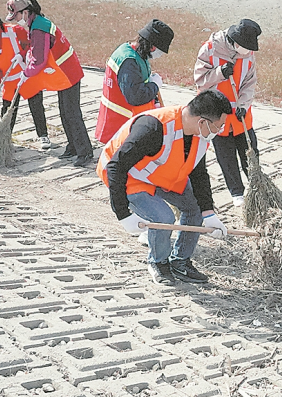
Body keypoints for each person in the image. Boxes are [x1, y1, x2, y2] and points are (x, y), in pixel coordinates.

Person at [97, 90, 232, 286]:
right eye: (218, 127)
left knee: (194, 207)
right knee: (163, 218)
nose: (218, 132)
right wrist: (122, 213)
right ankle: (158, 263)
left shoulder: (199, 135)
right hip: (128, 177)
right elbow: (116, 166)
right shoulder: (153, 127)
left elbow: (199, 174)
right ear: (202, 122)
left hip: (162, 175)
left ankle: (180, 262)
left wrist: (209, 212)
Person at [5, 0, 94, 166]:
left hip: (68, 73)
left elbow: (39, 59)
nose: (15, 20)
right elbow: (33, 48)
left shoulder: (39, 28)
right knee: (64, 111)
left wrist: (27, 72)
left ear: (25, 12)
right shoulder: (35, 23)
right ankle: (73, 146)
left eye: (16, 16)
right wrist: (21, 56)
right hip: (62, 74)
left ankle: (85, 152)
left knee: (72, 114)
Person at [194, 19, 261, 208]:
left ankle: (257, 185)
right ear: (235, 42)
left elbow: (250, 82)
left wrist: (244, 105)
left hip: (240, 113)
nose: (249, 52)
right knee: (226, 154)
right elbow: (200, 80)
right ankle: (236, 192)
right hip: (216, 113)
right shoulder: (210, 49)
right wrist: (220, 73)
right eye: (246, 47)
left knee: (250, 150)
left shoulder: (248, 53)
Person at [0, 11, 51, 149]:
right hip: (9, 81)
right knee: (7, 111)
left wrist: (22, 55)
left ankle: (43, 135)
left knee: (36, 106)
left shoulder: (14, 31)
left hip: (26, 76)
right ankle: (5, 139)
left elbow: (32, 46)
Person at [95, 19, 173, 144]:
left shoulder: (134, 52)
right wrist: (154, 85)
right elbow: (136, 97)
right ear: (152, 47)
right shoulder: (129, 62)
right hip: (121, 128)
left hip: (128, 126)